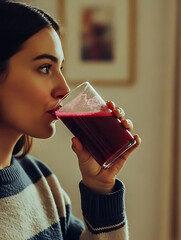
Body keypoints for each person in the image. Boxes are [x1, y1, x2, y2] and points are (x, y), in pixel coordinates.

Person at [0, 1, 141, 239]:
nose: (64, 89)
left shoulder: (41, 180)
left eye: (60, 68)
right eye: (45, 68)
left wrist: (101, 186)